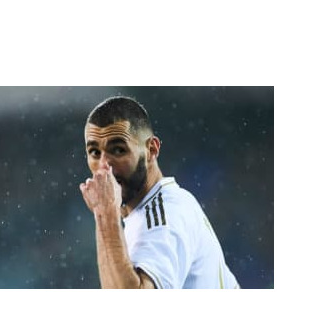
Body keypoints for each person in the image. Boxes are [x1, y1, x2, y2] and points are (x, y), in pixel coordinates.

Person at [79, 96, 239, 289]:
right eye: (95, 152)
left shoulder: (164, 215)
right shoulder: (148, 210)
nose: (104, 166)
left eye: (119, 150)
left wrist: (105, 213)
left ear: (151, 150)